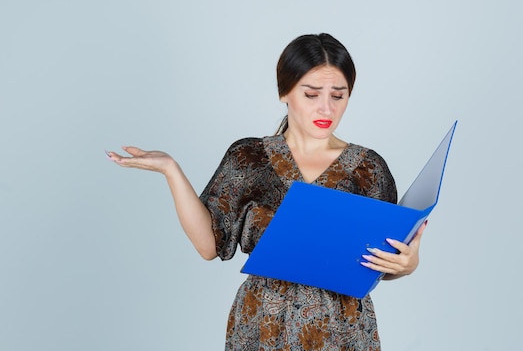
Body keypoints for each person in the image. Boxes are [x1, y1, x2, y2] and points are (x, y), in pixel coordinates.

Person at [107, 33, 426, 350]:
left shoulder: (367, 168)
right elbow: (209, 245)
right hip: (264, 326)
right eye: (311, 94)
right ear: (285, 92)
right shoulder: (248, 159)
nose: (326, 108)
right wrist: (171, 170)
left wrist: (407, 265)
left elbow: (380, 263)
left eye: (338, 96)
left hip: (343, 330)